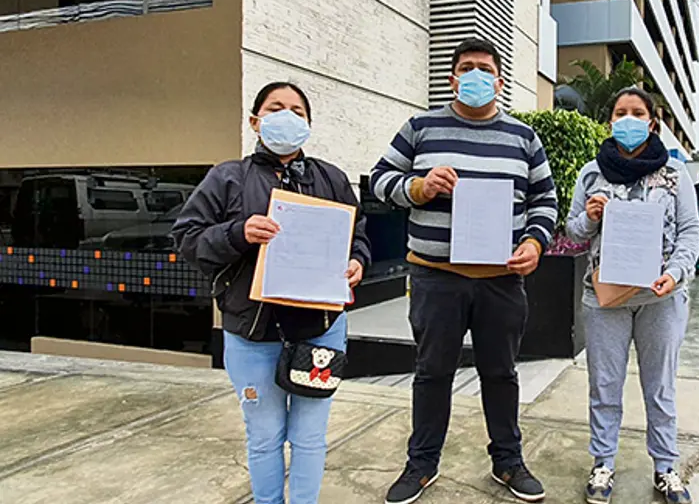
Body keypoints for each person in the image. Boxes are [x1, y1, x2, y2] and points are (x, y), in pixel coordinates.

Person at [370, 38, 558, 504]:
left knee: (501, 374)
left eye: (485, 68)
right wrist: (418, 186)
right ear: (452, 77)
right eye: (467, 67)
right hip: (436, 278)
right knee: (432, 373)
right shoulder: (421, 128)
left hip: (501, 280)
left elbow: (545, 200)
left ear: (499, 79)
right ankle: (421, 465)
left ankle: (508, 461)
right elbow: (379, 180)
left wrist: (534, 242)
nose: (476, 75)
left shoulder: (523, 138)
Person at [171, 82, 372, 504]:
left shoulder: (331, 178)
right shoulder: (227, 178)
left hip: (320, 329)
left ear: (309, 124)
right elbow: (187, 239)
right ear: (254, 120)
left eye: (297, 111)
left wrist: (357, 260)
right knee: (264, 436)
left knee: (310, 436)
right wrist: (238, 233)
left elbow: (358, 234)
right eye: (276, 108)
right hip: (252, 333)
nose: (287, 116)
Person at [565, 87, 699, 504]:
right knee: (604, 384)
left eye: (637, 113)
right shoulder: (591, 173)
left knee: (660, 387)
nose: (628, 119)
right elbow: (572, 231)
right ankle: (603, 462)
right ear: (610, 122)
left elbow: (690, 231)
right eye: (620, 112)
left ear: (652, 122)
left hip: (661, 298)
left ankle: (666, 466)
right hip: (605, 298)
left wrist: (675, 274)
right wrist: (589, 218)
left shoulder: (675, 174)